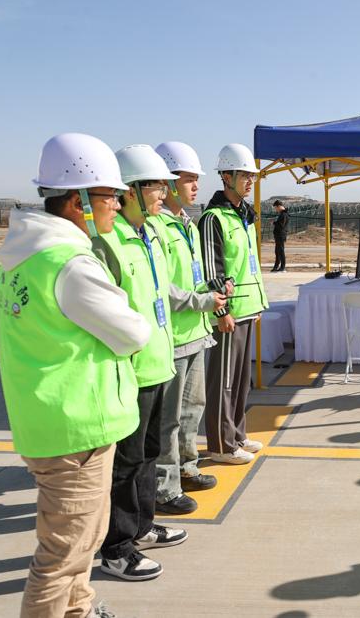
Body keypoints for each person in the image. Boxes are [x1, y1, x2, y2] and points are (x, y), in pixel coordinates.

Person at [0, 132, 150, 618]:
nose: (117, 204)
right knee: (61, 557)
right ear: (78, 200)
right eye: (110, 195)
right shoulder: (71, 264)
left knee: (82, 541)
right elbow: (133, 332)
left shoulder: (27, 256)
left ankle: (78, 610)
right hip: (75, 427)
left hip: (51, 420)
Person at [92, 145, 188, 581]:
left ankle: (143, 527)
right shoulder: (107, 241)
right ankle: (116, 548)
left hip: (158, 362)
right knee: (126, 463)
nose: (164, 194)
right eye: (156, 186)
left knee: (149, 453)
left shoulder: (149, 233)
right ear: (129, 190)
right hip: (131, 370)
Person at [150, 141, 229, 514]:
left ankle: (186, 467)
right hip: (174, 336)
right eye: (188, 179)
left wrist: (215, 292)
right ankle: (164, 487)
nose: (196, 186)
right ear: (166, 183)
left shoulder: (187, 224)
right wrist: (202, 302)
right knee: (168, 418)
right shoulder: (156, 226)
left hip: (196, 331)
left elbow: (193, 276)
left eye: (197, 179)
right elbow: (162, 286)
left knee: (192, 408)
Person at [199, 143, 270, 464]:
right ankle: (220, 445)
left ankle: (237, 435)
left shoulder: (243, 217)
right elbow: (213, 269)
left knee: (240, 382)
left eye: (252, 176)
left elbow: (248, 266)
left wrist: (257, 303)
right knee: (223, 383)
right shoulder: (213, 218)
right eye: (244, 175)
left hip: (247, 308)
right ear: (226, 177)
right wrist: (222, 311)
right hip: (229, 313)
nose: (250, 181)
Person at [270, 200, 289, 272]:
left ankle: (282, 267)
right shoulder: (282, 214)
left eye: (276, 208)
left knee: (280, 251)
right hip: (278, 235)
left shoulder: (284, 214)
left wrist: (274, 223)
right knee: (277, 251)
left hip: (281, 235)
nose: (276, 210)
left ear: (279, 206)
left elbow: (281, 225)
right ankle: (276, 266)